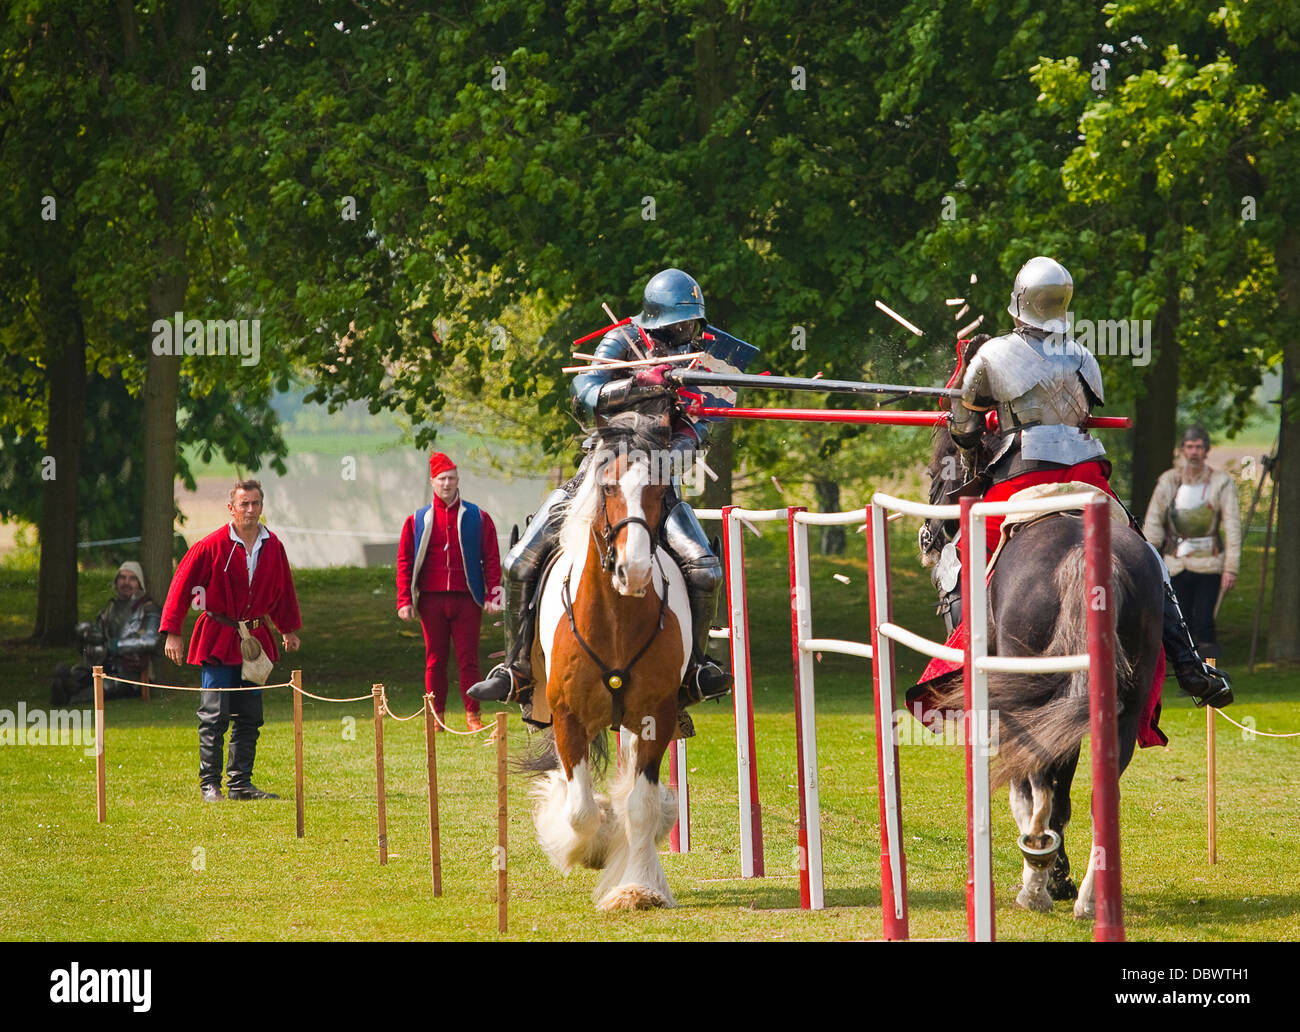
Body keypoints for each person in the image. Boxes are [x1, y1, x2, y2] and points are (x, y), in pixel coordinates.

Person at [941, 255, 1231, 707]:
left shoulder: (992, 354)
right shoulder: (1083, 356)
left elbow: (964, 428)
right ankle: (1190, 665)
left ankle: (966, 666)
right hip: (1087, 475)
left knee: (965, 553)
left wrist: (969, 446)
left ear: (1018, 300)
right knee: (1147, 555)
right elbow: (1080, 416)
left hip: (1021, 474)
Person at [469, 267, 734, 720]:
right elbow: (583, 392)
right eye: (677, 324)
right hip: (602, 469)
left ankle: (695, 668)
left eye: (690, 324)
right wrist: (639, 384)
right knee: (520, 560)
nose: (684, 332)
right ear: (656, 320)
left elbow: (705, 425)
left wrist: (677, 441)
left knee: (705, 568)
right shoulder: (623, 342)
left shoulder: (701, 359)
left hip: (658, 477)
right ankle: (515, 667)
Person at [161, 479, 302, 801]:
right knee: (214, 714)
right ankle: (210, 785)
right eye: (244, 504)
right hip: (218, 636)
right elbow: (182, 586)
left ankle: (240, 784)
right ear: (231, 508)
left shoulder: (273, 546)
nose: (250, 510)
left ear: (261, 507)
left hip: (255, 640)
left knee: (250, 715)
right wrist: (173, 631)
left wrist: (288, 628)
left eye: (255, 504)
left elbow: (283, 590)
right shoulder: (211, 545)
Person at [396, 453, 502, 732]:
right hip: (431, 600)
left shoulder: (478, 517)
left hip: (467, 599)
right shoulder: (417, 519)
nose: (447, 483)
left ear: (458, 480)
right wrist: (404, 600)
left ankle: (473, 715)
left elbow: (492, 558)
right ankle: (436, 716)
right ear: (433, 482)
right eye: (442, 479)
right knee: (435, 660)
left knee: (469, 659)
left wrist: (494, 596)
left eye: (451, 478)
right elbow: (405, 561)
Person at [1142, 426, 1241, 661]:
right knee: (1180, 622)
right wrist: (1147, 559)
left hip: (1209, 563)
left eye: (1198, 447)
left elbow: (1232, 526)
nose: (1194, 452)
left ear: (1206, 450)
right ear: (1182, 450)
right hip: (1175, 563)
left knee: (1205, 621)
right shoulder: (1169, 481)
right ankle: (1189, 674)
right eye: (1190, 447)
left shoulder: (1221, 483)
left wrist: (1231, 568)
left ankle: (1210, 673)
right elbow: (1154, 521)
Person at [50, 561, 162, 705]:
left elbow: (149, 640)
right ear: (116, 581)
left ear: (139, 582)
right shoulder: (111, 608)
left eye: (132, 578)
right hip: (103, 665)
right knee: (78, 673)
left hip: (130, 672)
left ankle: (69, 698)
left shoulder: (149, 608)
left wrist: (116, 645)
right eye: (122, 577)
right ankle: (65, 686)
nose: (126, 582)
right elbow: (98, 634)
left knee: (104, 686)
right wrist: (85, 633)